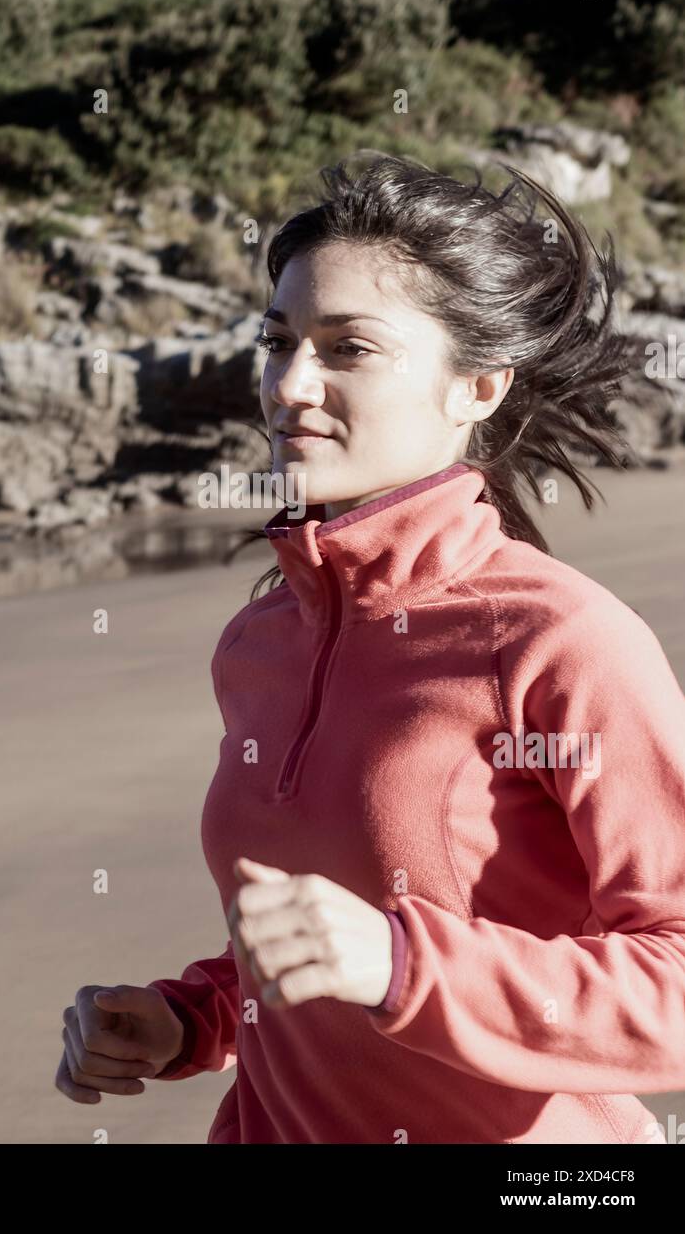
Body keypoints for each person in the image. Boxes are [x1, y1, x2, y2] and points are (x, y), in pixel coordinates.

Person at [55, 153, 685, 1143]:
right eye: (277, 342)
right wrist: (191, 1016)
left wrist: (404, 964)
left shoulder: (558, 639)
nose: (289, 385)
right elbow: (316, 935)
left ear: (476, 385)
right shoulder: (261, 640)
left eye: (347, 349)